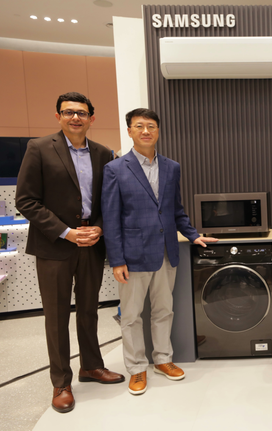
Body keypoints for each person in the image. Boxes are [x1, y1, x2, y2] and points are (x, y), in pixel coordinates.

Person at [15, 92, 124, 414]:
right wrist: (67, 232)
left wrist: (99, 228)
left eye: (81, 112)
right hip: (55, 245)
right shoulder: (38, 148)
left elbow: (109, 200)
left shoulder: (104, 154)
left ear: (92, 118)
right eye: (68, 112)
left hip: (91, 243)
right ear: (58, 116)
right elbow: (26, 200)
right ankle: (61, 382)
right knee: (57, 315)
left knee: (89, 310)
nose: (75, 117)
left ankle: (91, 366)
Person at [101, 108, 218, 395]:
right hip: (132, 255)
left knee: (164, 310)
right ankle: (136, 368)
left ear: (158, 131)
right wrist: (116, 259)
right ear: (129, 131)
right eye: (139, 126)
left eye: (151, 126)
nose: (146, 131)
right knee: (131, 316)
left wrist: (193, 235)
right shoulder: (115, 168)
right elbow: (111, 217)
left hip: (166, 252)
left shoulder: (171, 167)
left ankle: (163, 359)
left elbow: (175, 209)